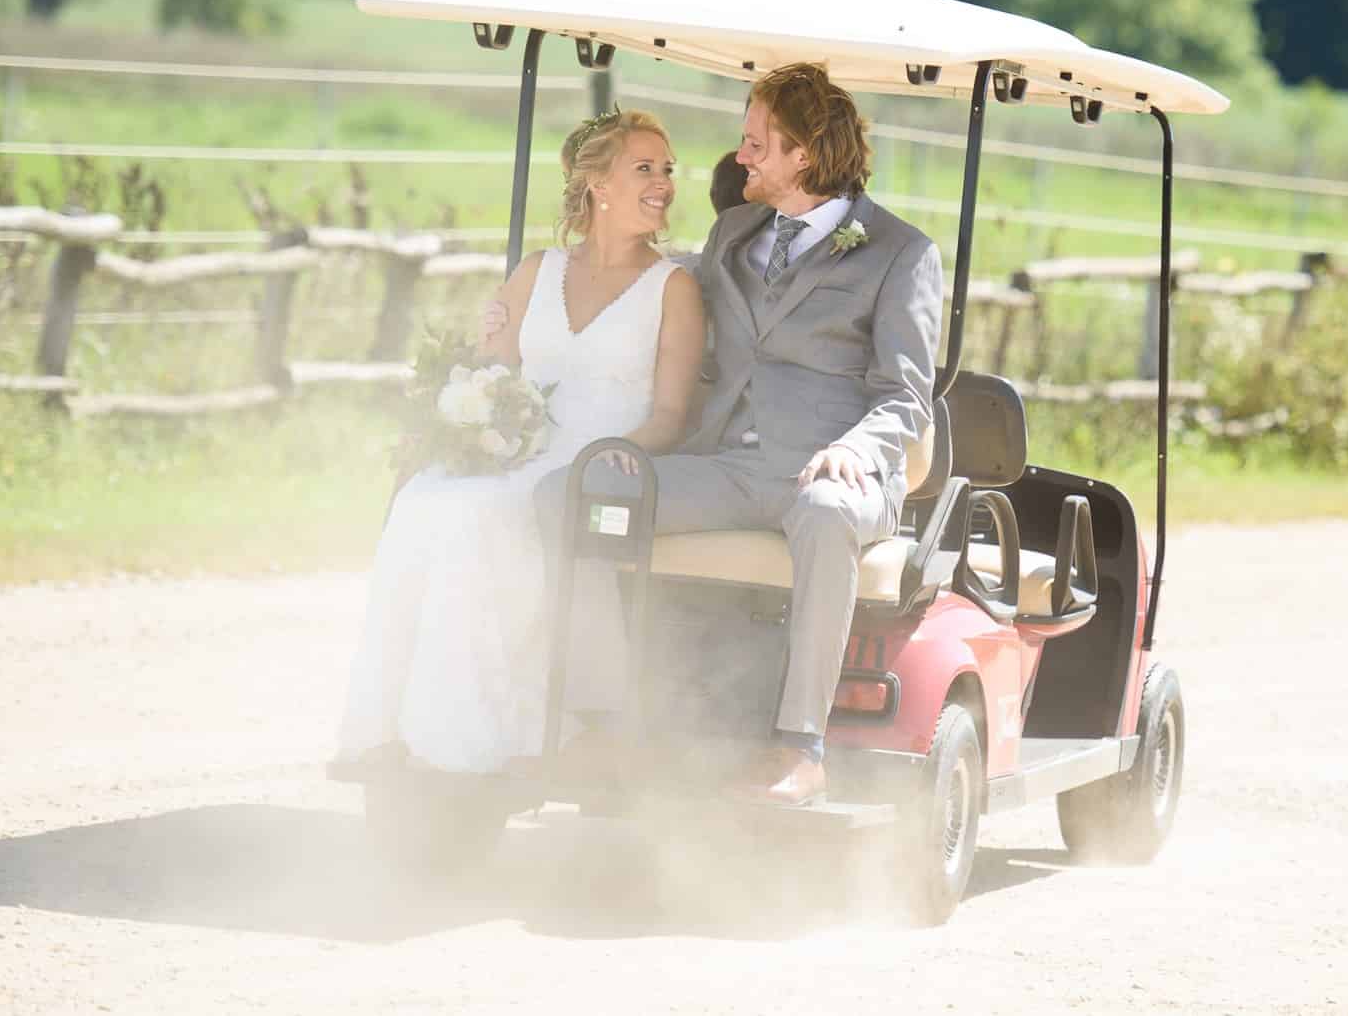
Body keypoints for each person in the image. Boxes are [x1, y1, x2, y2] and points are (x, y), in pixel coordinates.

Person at [538, 63, 941, 805]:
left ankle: (801, 749)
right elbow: (658, 288)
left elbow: (905, 394)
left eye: (757, 143)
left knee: (822, 513)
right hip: (726, 467)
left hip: (832, 477)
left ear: (805, 155)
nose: (740, 158)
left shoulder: (901, 254)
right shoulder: (735, 233)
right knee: (567, 494)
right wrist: (549, 297)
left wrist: (855, 449)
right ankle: (604, 720)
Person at [334, 108, 705, 775]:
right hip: (524, 451)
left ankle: (467, 739)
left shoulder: (673, 289)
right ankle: (392, 725)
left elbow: (672, 412)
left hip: (595, 463)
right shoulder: (538, 270)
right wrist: (473, 413)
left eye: (667, 170)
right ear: (599, 184)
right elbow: (494, 371)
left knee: (479, 518)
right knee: (425, 498)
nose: (664, 184)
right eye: (644, 168)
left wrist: (620, 452)